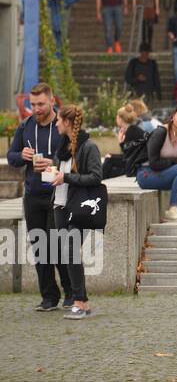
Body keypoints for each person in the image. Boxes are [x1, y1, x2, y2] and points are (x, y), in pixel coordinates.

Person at [6, 83, 74, 311]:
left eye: (41, 104)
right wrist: (21, 155)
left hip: (58, 195)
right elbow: (11, 157)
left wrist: (53, 163)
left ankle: (71, 293)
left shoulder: (62, 127)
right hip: (33, 194)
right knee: (39, 248)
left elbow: (74, 158)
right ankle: (48, 296)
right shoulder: (25, 126)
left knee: (58, 246)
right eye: (32, 104)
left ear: (52, 101)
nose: (36, 108)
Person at [50, 104, 102, 319]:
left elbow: (96, 176)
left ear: (68, 122)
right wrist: (50, 170)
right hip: (60, 206)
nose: (56, 123)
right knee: (66, 254)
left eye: (59, 120)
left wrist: (67, 177)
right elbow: (60, 173)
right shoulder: (62, 146)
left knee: (71, 251)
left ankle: (79, 301)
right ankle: (83, 302)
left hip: (79, 208)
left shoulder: (88, 147)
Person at [102, 104, 149, 180]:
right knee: (110, 166)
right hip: (136, 162)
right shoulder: (132, 129)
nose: (116, 119)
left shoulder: (131, 131)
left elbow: (127, 156)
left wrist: (121, 143)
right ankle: (99, 178)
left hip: (135, 165)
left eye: (117, 117)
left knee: (109, 159)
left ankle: (97, 179)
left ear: (120, 119)